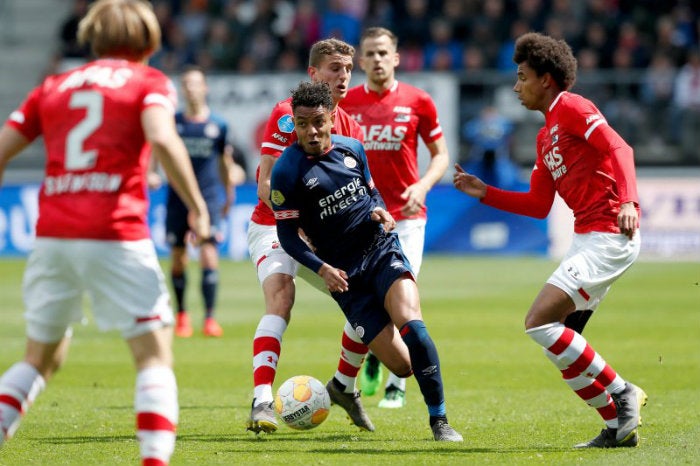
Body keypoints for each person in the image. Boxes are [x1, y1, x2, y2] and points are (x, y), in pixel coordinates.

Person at [0, 1, 210, 465]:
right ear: (149, 42)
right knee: (153, 359)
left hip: (53, 235)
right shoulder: (148, 82)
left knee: (40, 359)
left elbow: (1, 149)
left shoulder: (53, 86)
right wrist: (198, 207)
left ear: (92, 38)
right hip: (115, 231)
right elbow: (160, 136)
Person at [453, 32, 647, 449]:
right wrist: (484, 192)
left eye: (522, 76)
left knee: (538, 322)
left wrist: (630, 200)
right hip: (585, 239)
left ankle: (623, 392)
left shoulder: (574, 108)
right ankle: (616, 427)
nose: (515, 86)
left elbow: (620, 147)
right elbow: (539, 205)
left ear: (546, 79)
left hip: (611, 233)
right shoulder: (544, 138)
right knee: (559, 346)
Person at [271, 81, 463, 442]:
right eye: (301, 124)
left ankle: (440, 421)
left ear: (331, 118)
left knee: (414, 326)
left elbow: (371, 192)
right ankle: (343, 386)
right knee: (404, 366)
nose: (310, 132)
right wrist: (322, 268)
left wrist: (380, 211)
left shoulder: (352, 148)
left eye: (317, 121)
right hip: (344, 275)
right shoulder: (286, 172)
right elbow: (286, 237)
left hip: (380, 249)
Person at [246, 38, 373, 434]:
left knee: (367, 302)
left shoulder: (348, 125)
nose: (343, 76)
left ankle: (344, 385)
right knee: (281, 297)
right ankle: (262, 401)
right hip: (273, 227)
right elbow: (265, 182)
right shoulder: (288, 115)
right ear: (314, 74)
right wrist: (297, 227)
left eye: (348, 69)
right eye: (335, 69)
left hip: (322, 238)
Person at [341, 27, 449, 409]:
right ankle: (366, 362)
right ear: (361, 60)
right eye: (369, 54)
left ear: (396, 57)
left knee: (402, 299)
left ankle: (396, 384)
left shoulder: (418, 100)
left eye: (383, 52)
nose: (376, 60)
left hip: (407, 217)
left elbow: (440, 155)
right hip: (362, 220)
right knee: (367, 302)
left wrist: (422, 186)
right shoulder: (347, 104)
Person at [149, 65, 242, 338]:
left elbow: (224, 162)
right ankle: (182, 316)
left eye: (195, 84)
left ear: (205, 88)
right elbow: (158, 148)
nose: (191, 88)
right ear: (181, 90)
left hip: (209, 196)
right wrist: (151, 172)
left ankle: (210, 318)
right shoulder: (173, 123)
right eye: (186, 84)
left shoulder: (218, 125)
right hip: (178, 196)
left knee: (209, 253)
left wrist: (229, 193)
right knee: (178, 257)